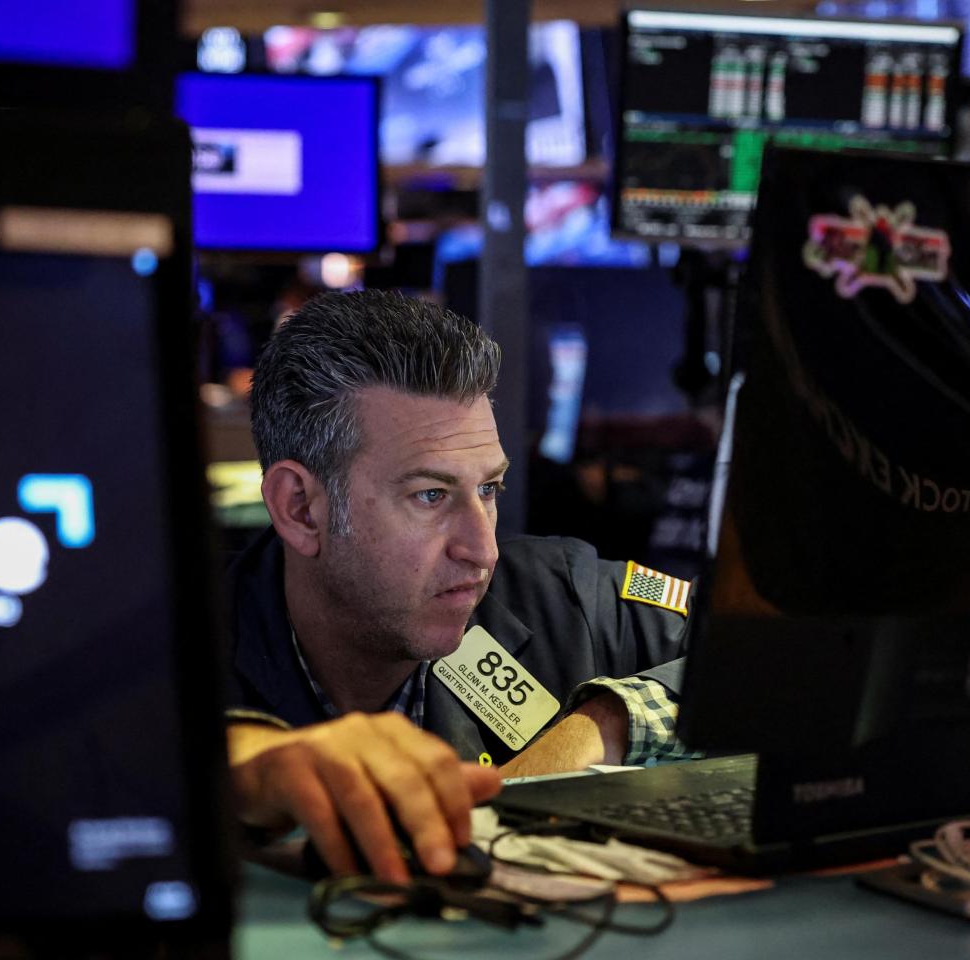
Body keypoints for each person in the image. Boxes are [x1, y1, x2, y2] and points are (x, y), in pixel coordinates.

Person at [225, 290, 691, 881]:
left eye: (489, 489)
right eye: (430, 495)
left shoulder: (562, 596)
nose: (483, 549)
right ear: (301, 508)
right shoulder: (163, 650)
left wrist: (606, 724)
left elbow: (773, 655)